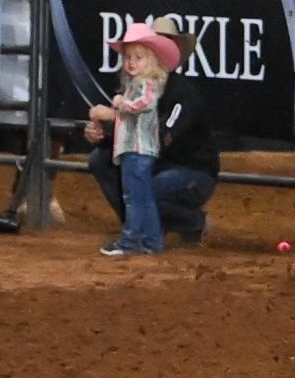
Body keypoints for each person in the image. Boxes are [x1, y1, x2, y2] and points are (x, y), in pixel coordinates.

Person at [85, 16, 220, 248]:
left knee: (144, 188)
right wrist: (104, 135)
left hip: (191, 170)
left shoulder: (183, 94)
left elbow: (161, 136)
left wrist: (113, 119)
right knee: (102, 161)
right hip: (153, 161)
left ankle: (189, 222)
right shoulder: (135, 87)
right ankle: (140, 228)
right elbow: (131, 131)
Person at [91, 23, 181, 256]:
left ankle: (130, 241)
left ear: (151, 61)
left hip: (138, 150)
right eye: (128, 57)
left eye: (138, 57)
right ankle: (151, 241)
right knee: (143, 196)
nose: (130, 62)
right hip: (137, 149)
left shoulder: (146, 85)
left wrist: (122, 104)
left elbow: (144, 104)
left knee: (133, 197)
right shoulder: (138, 84)